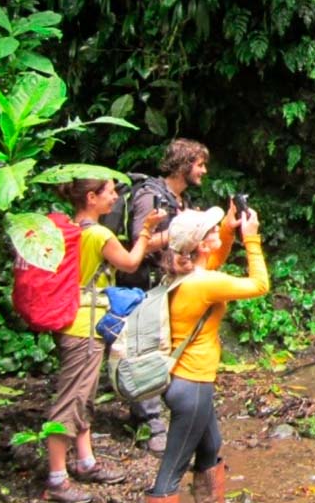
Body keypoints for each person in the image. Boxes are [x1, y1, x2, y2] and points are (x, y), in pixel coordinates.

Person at [44, 178, 164, 502]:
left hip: (74, 321)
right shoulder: (99, 234)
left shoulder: (71, 230)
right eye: (110, 192)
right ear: (91, 197)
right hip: (84, 327)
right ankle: (56, 478)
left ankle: (85, 462)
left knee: (84, 396)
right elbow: (130, 262)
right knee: (71, 400)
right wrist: (146, 230)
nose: (115, 197)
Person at [146, 205, 269, 503]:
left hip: (184, 380)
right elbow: (260, 285)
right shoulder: (203, 283)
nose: (217, 232)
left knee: (211, 446)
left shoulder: (182, 274)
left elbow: (213, 260)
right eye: (212, 231)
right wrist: (251, 239)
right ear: (200, 245)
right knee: (171, 472)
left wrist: (227, 228)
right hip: (192, 385)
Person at [115, 138, 210, 454]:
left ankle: (152, 414)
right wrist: (182, 230)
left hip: (168, 284)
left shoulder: (180, 199)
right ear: (184, 165)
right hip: (142, 287)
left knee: (163, 349)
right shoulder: (150, 196)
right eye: (199, 165)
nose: (203, 171)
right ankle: (150, 424)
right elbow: (138, 241)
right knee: (145, 351)